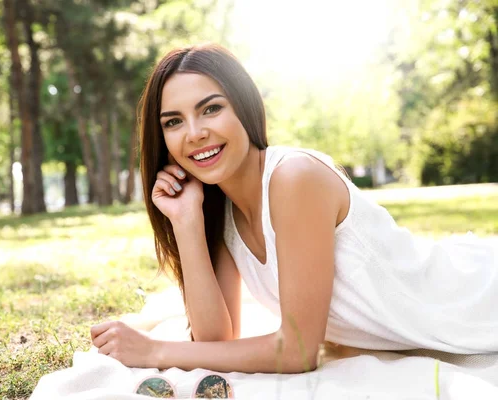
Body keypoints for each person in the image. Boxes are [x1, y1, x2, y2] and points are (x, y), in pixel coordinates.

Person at [90, 44, 498, 374]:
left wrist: (155, 352)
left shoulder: (294, 178)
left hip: (476, 298)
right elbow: (216, 339)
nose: (195, 133)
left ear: (244, 108)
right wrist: (186, 222)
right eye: (173, 121)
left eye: (211, 108)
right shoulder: (223, 208)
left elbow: (297, 352)